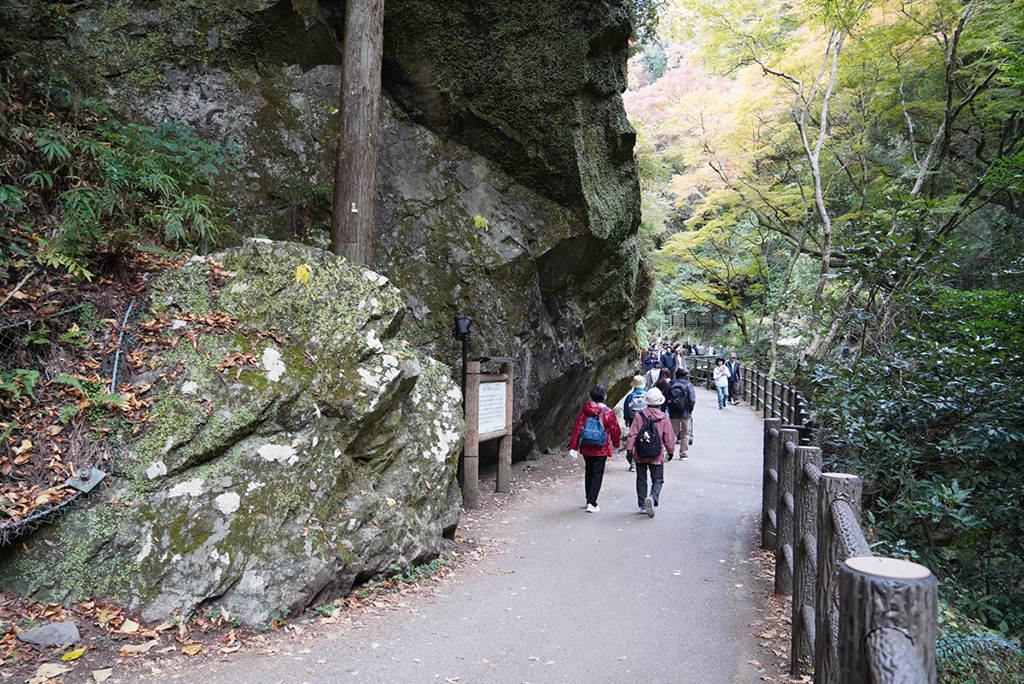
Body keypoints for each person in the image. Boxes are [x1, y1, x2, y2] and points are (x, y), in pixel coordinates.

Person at [569, 384, 621, 512]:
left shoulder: (586, 410)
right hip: (601, 448)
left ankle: (589, 498)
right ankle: (592, 502)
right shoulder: (607, 412)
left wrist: (574, 447)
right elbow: (615, 430)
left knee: (589, 472)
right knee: (597, 474)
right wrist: (616, 445)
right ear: (604, 396)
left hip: (586, 446)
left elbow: (578, 428)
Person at [626, 387, 676, 518]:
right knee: (658, 479)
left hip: (640, 453)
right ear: (660, 402)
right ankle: (652, 498)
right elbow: (669, 437)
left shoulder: (639, 415)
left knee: (641, 479)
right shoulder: (664, 417)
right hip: (656, 454)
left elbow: (632, 434)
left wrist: (629, 450)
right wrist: (670, 451)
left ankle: (643, 505)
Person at [665, 367, 696, 459]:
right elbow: (692, 399)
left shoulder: (671, 383)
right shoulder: (688, 384)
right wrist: (690, 410)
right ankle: (683, 453)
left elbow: (665, 397)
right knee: (685, 434)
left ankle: (670, 452)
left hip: (673, 412)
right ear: (685, 375)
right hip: (685, 412)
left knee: (673, 433)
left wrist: (668, 408)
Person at [621, 376, 647, 472]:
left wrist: (626, 419)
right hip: (646, 422)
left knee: (634, 440)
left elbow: (626, 410)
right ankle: (644, 460)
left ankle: (633, 463)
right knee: (645, 438)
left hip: (634, 421)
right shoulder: (647, 395)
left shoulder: (630, 396)